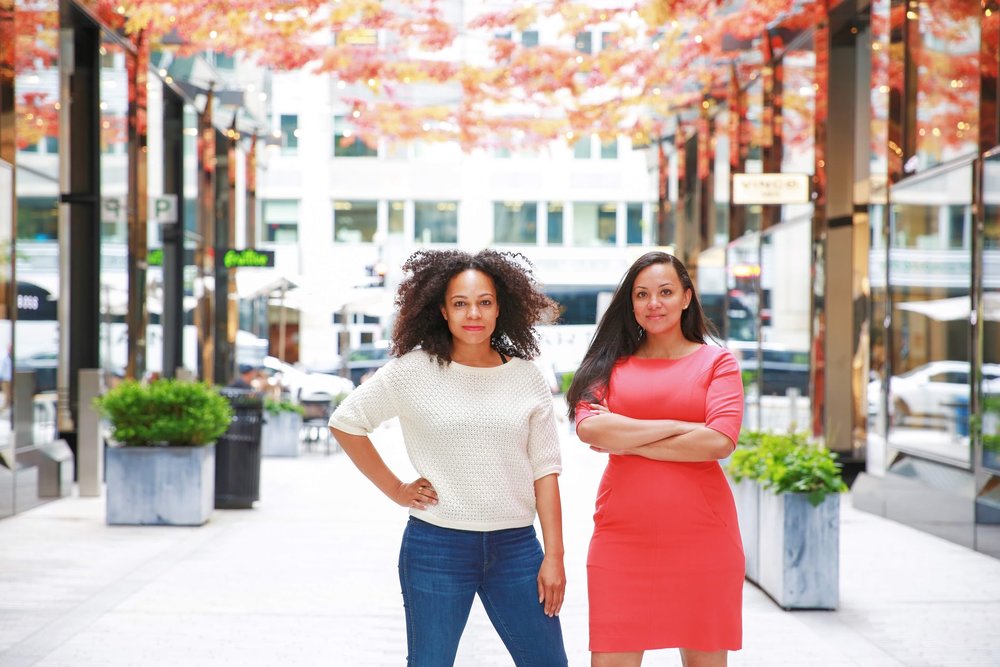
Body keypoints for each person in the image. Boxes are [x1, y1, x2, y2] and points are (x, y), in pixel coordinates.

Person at [328, 248, 568, 667]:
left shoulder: (526, 376)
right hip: (437, 545)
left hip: (516, 549)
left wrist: (554, 556)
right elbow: (346, 421)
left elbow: (545, 471)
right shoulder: (413, 370)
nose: (472, 313)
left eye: (484, 302)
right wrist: (396, 489)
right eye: (460, 303)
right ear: (442, 309)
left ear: (499, 308)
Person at [566, 251, 745, 667]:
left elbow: (719, 441)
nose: (654, 303)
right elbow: (589, 428)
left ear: (686, 297)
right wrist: (682, 427)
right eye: (642, 294)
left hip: (703, 538)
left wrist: (626, 438)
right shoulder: (607, 364)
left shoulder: (718, 363)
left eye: (665, 292)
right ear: (631, 303)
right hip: (622, 538)